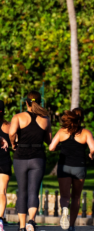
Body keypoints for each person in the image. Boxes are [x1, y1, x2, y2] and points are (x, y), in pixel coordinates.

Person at [49, 108, 94, 231]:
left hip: (64, 167)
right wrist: (91, 154)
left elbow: (51, 148)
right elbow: (93, 147)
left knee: (65, 196)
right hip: (79, 167)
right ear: (82, 119)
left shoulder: (61, 132)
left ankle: (65, 209)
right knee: (76, 197)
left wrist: (61, 146)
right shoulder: (85, 132)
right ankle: (71, 225)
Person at [10, 91, 52, 231]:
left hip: (21, 156)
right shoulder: (45, 118)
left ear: (26, 102)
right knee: (33, 191)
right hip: (38, 157)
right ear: (39, 102)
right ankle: (31, 222)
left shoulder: (18, 117)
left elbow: (11, 133)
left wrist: (13, 144)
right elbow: (48, 140)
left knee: (22, 191)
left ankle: (22, 226)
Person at [0, 100, 11, 231]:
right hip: (4, 160)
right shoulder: (9, 126)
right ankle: (0, 219)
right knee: (2, 191)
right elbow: (15, 142)